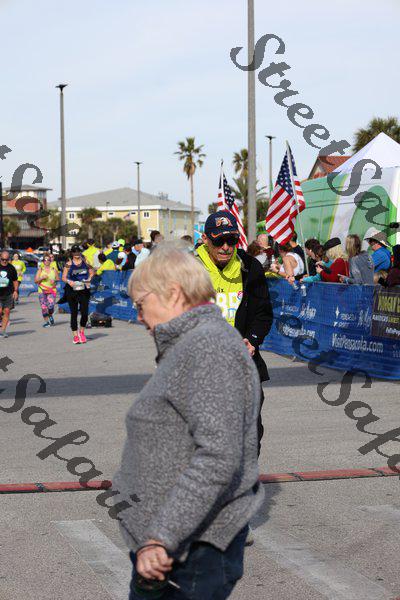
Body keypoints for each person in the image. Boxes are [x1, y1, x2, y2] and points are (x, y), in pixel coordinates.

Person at [113, 243, 264, 600]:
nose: (138, 316)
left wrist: (162, 537)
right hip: (176, 545)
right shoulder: (193, 343)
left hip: (188, 549)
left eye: (140, 304)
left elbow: (218, 457)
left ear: (174, 293)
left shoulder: (208, 347)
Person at [196, 211, 273, 456]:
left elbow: (263, 312)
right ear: (206, 239)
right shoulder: (188, 269)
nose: (226, 247)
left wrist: (253, 340)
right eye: (219, 241)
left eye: (232, 240)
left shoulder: (250, 267)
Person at [62, 245, 94, 344]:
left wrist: (88, 280)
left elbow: (92, 272)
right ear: (72, 253)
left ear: (80, 252)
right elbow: (63, 277)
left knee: (84, 313)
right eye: (74, 252)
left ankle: (82, 332)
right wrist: (69, 281)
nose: (76, 253)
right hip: (72, 290)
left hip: (84, 290)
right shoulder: (68, 264)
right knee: (74, 313)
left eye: (78, 251)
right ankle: (75, 336)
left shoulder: (86, 262)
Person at [34, 253, 58, 327]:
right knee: (44, 307)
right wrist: (41, 278)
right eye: (45, 260)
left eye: (48, 260)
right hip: (42, 290)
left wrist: (54, 281)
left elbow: (58, 279)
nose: (47, 261)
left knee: (51, 306)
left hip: (51, 290)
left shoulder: (54, 269)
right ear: (43, 261)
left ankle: (50, 315)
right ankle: (47, 322)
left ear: (50, 261)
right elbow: (35, 281)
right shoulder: (40, 270)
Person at [0, 251, 18, 338]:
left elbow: (15, 280)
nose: (4, 261)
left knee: (7, 312)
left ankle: (2, 331)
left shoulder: (11, 268)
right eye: (3, 259)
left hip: (8, 293)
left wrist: (15, 291)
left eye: (6, 260)